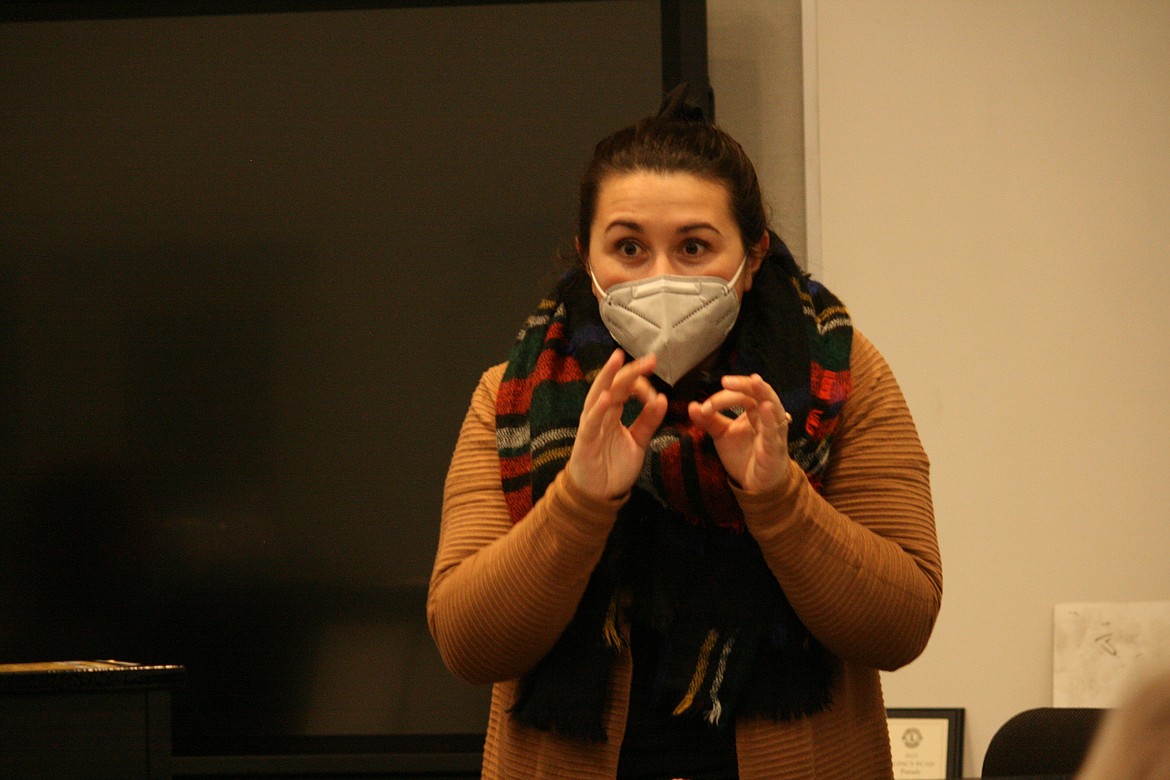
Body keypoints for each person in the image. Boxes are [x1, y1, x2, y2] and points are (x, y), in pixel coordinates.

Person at [427, 86, 942, 780]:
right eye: (629, 247)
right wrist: (578, 502)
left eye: (695, 246)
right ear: (587, 257)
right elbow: (468, 646)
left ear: (753, 255)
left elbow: (900, 625)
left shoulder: (840, 377)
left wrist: (778, 499)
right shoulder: (512, 394)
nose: (661, 278)